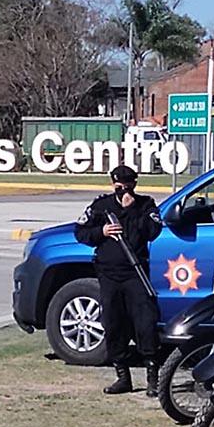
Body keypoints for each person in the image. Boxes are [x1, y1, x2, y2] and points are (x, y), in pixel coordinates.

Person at [74, 165, 163, 396]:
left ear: (135, 184)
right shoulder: (101, 206)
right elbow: (80, 232)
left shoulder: (146, 205)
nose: (123, 189)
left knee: (145, 324)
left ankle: (152, 377)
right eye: (118, 185)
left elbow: (153, 231)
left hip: (135, 273)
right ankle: (123, 377)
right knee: (113, 324)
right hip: (109, 274)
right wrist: (101, 232)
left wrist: (132, 211)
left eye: (127, 185)